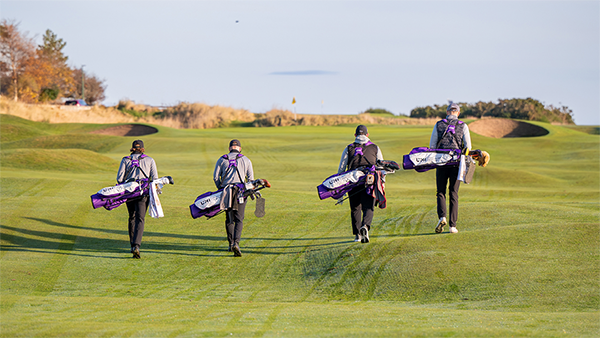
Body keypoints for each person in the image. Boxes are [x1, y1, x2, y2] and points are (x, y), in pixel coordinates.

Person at [429, 103, 472, 234]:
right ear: (458, 113)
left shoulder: (438, 124)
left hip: (441, 162)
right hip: (457, 163)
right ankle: (452, 226)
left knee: (440, 192)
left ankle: (442, 217)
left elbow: (432, 146)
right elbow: (468, 147)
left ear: (447, 112)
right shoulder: (463, 126)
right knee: (453, 193)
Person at [338, 125, 384, 243]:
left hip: (352, 181)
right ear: (367, 135)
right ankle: (365, 226)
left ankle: (357, 235)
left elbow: (342, 169)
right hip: (369, 180)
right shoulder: (375, 147)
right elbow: (381, 167)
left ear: (355, 135)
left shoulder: (349, 148)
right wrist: (382, 183)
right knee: (368, 206)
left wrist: (340, 186)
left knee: (355, 208)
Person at [116, 140, 158, 258]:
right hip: (143, 193)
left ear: (132, 148)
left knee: (132, 217)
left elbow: (120, 179)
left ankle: (132, 245)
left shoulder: (125, 160)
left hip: (129, 193)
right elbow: (155, 178)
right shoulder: (150, 160)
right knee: (140, 218)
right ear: (143, 149)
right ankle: (136, 246)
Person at [213, 139, 254, 257]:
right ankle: (236, 243)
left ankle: (231, 244)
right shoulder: (246, 160)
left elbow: (216, 177)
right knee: (239, 218)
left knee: (229, 218)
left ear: (229, 148)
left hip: (226, 192)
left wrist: (221, 189)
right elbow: (251, 179)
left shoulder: (222, 159)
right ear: (239, 148)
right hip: (240, 192)